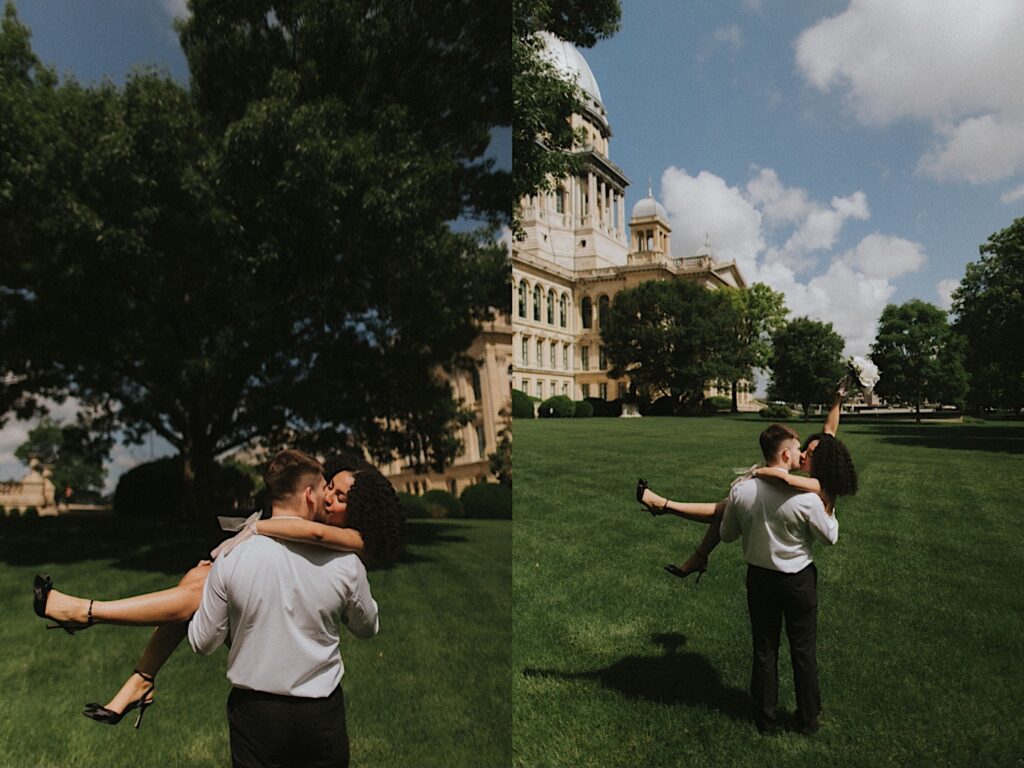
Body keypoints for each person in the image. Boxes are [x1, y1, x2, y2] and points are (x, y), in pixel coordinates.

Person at [32, 449, 403, 727]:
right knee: (196, 580)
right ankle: (140, 677)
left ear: (361, 510)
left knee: (199, 587)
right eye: (329, 488)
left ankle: (89, 613)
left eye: (338, 497)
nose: (327, 498)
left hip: (278, 702)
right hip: (297, 704)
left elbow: (315, 532)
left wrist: (256, 528)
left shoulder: (353, 540)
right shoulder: (336, 531)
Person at [188, 448, 377, 767]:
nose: (326, 498)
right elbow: (367, 627)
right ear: (308, 494)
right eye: (323, 489)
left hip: (256, 717)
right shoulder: (345, 562)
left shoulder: (232, 557)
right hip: (321, 717)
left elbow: (203, 642)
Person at [637, 382, 857, 581]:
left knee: (725, 508)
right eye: (803, 450)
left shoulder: (819, 485)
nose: (802, 454)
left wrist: (759, 471)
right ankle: (696, 552)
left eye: (807, 454)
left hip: (797, 560)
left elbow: (786, 480)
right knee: (728, 505)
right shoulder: (827, 454)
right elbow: (829, 429)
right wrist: (838, 398)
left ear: (822, 462)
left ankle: (667, 507)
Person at [722, 423, 839, 734]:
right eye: (799, 449)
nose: (802, 455)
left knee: (764, 648)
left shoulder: (741, 490)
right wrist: (831, 506)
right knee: (803, 650)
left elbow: (727, 534)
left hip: (759, 579)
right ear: (786, 454)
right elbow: (830, 538)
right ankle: (808, 720)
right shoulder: (806, 499)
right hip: (798, 581)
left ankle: (765, 719)